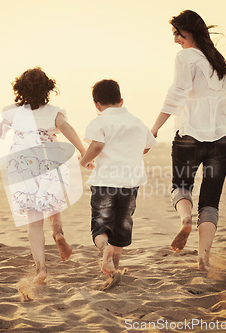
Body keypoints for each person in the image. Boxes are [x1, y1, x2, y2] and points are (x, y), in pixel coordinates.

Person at [149, 10, 226, 271]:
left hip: (189, 137)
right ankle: (203, 259)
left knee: (181, 186)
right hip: (221, 141)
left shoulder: (186, 57)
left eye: (178, 34)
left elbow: (176, 93)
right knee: (211, 200)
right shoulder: (219, 62)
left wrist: (155, 128)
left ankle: (184, 220)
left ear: (190, 31)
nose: (176, 40)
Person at [0, 67, 87, 284]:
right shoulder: (54, 112)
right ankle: (58, 233)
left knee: (34, 221)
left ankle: (41, 269)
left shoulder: (12, 112)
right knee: (52, 200)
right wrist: (84, 152)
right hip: (49, 158)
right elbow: (67, 129)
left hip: (22, 164)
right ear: (48, 89)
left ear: (19, 89)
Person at [80, 79, 157, 288]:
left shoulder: (99, 121)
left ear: (96, 104)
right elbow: (147, 146)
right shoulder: (137, 122)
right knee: (122, 228)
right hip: (130, 184)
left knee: (101, 225)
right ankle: (113, 269)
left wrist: (84, 160)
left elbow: (97, 145)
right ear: (121, 101)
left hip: (105, 183)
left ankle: (104, 248)